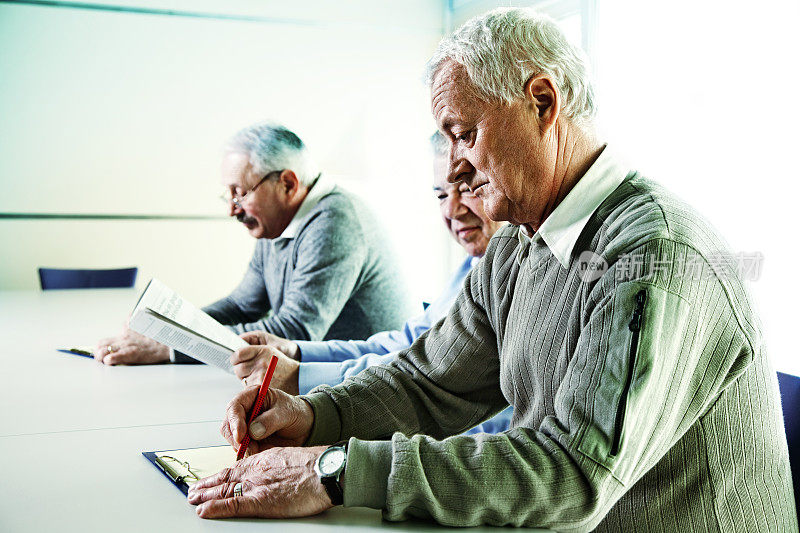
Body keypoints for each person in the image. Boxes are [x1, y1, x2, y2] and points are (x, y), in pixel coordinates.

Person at [187, 8, 796, 530]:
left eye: (464, 134)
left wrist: (335, 469)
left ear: (541, 103)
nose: (453, 169)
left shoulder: (648, 254)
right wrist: (317, 416)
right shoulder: (518, 245)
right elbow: (430, 382)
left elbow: (572, 474)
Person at [230, 132, 511, 434]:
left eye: (468, 189)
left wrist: (301, 375)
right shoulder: (472, 266)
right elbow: (403, 343)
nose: (451, 210)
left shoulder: (507, 272)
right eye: (441, 195)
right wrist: (297, 352)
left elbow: (423, 378)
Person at [94, 122, 411, 365]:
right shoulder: (277, 223)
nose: (231, 209)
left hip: (369, 387)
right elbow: (242, 305)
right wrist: (170, 327)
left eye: (240, 193)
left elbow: (294, 331)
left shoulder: (336, 222)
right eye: (228, 193)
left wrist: (171, 348)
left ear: (287, 183)